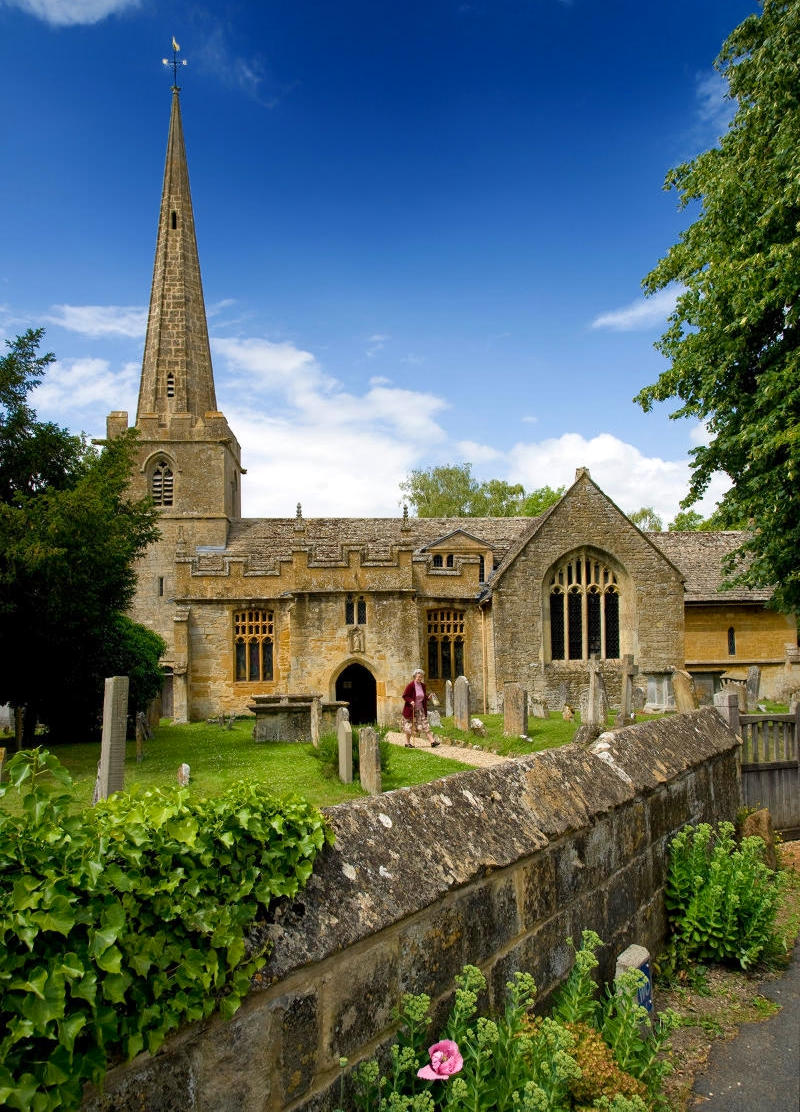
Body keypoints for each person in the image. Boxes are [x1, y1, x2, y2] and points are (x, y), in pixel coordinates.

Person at [401, 668, 440, 748]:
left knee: (425, 724)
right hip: (411, 709)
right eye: (418, 676)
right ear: (415, 676)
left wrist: (428, 697)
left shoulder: (422, 685)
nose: (420, 678)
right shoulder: (411, 685)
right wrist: (411, 701)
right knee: (409, 726)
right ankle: (407, 743)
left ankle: (433, 742)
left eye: (421, 677)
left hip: (420, 709)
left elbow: (422, 696)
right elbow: (405, 696)